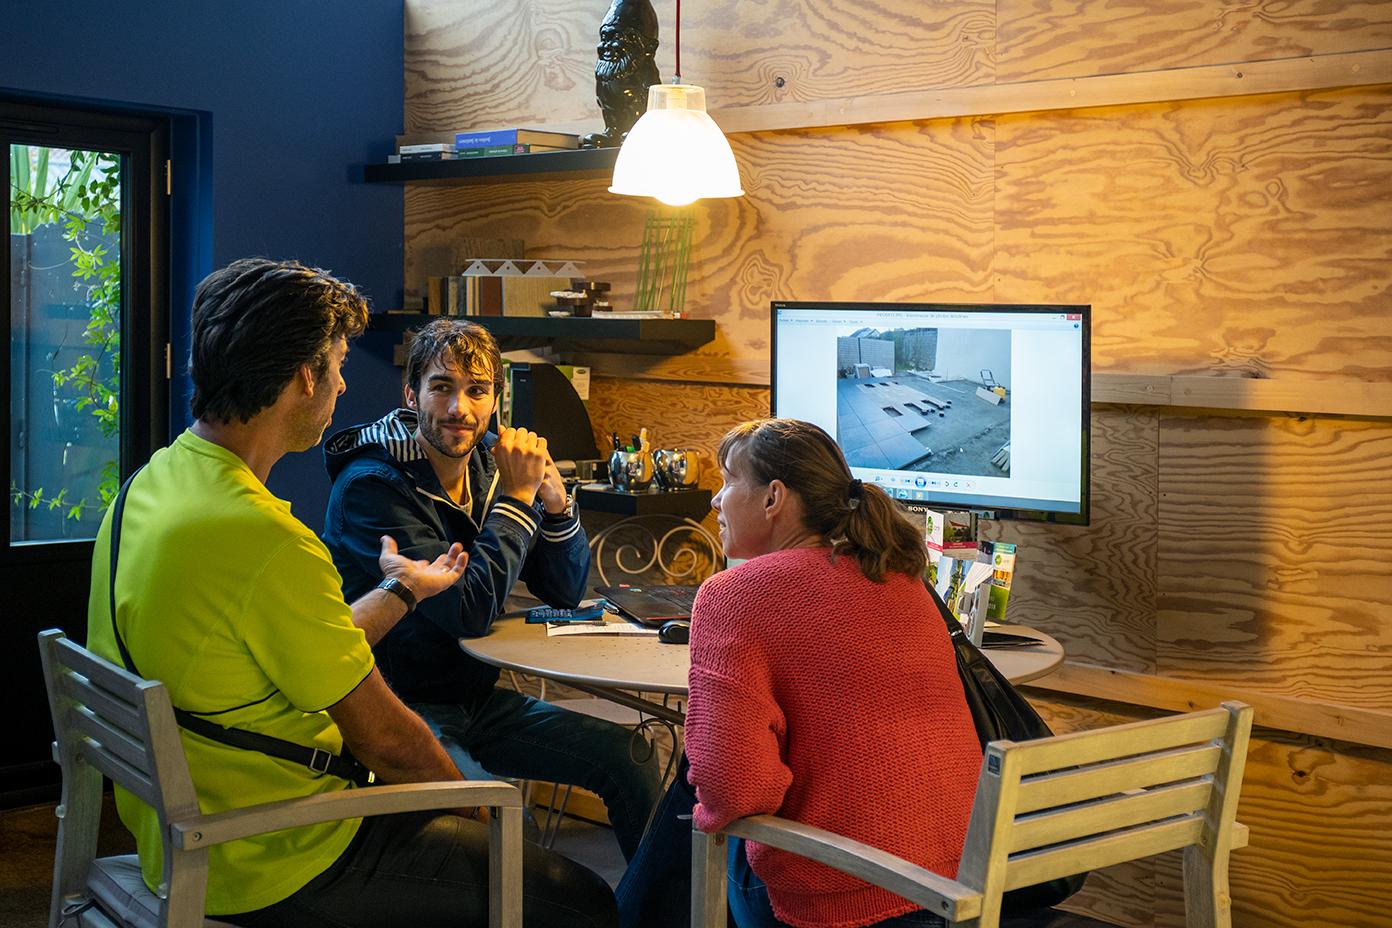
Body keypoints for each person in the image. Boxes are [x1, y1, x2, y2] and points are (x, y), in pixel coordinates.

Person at [87, 258, 616, 927]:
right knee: (580, 899)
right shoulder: (265, 536)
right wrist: (480, 810)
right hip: (276, 848)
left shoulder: (154, 481)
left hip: (186, 820)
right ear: (305, 376)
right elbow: (387, 742)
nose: (341, 385)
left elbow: (296, 642)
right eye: (337, 366)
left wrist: (403, 592)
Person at [617, 418, 981, 928]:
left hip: (843, 893)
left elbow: (735, 792)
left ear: (773, 498)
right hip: (958, 883)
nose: (715, 502)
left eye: (727, 481)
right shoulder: (900, 574)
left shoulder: (735, 593)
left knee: (695, 801)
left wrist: (708, 804)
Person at [322, 318, 661, 860]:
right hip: (399, 709)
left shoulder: (487, 464)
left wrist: (556, 505)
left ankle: (652, 910)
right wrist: (519, 499)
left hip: (475, 700)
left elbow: (564, 592)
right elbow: (469, 611)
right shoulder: (373, 486)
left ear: (495, 400)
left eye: (477, 390)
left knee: (631, 757)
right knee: (509, 823)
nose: (460, 407)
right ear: (411, 395)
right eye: (441, 387)